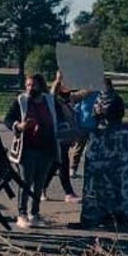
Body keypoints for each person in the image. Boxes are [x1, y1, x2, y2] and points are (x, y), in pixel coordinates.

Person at [4, 73, 61, 229]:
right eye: (28, 85)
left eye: (33, 85)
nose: (29, 88)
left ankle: (34, 214)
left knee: (39, 183)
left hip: (46, 148)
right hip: (27, 149)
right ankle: (21, 214)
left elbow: (59, 118)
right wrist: (19, 126)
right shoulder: (21, 101)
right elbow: (8, 119)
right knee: (26, 182)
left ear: (40, 86)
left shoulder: (49, 100)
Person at [44, 70, 82, 203]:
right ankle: (69, 193)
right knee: (63, 162)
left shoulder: (70, 97)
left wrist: (94, 83)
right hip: (57, 135)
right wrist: (57, 79)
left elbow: (83, 94)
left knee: (55, 164)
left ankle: (42, 188)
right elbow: (51, 94)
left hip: (66, 134)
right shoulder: (55, 98)